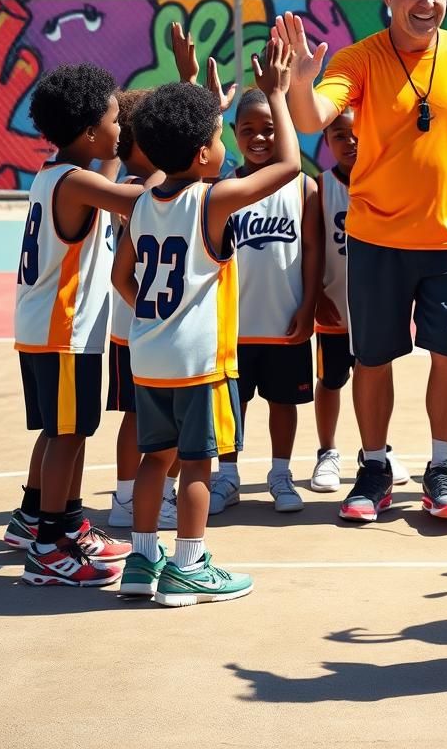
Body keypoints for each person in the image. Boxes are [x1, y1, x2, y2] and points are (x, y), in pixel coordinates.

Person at [279, 0, 447, 524]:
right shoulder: (358, 60)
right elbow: (313, 119)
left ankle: (441, 468)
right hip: (376, 239)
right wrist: (300, 84)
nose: (427, 2)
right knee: (372, 359)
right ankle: (376, 465)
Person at [113, 35, 299, 605]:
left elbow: (122, 277)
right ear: (202, 155)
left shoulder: (143, 199)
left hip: (148, 356)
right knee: (197, 466)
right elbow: (290, 165)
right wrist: (278, 95)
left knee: (156, 460)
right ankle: (189, 565)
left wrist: (153, 313)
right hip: (199, 361)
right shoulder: (213, 200)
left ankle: (142, 562)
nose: (222, 146)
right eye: (218, 137)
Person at [8, 64, 143, 587]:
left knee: (60, 429)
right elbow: (147, 201)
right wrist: (166, 160)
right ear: (89, 132)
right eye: (114, 120)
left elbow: (107, 165)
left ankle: (42, 518)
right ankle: (49, 546)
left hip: (44, 327)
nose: (120, 132)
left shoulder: (56, 174)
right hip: (65, 333)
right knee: (70, 432)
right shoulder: (78, 184)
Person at [207, 86, 321, 514]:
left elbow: (312, 251)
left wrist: (308, 305)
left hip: (284, 321)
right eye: (249, 129)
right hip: (233, 325)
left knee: (284, 402)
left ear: (285, 131)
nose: (259, 138)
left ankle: (280, 473)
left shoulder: (303, 187)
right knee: (231, 406)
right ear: (235, 133)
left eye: (270, 129)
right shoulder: (224, 188)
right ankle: (229, 475)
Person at [310, 108, 410, 493]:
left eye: (357, 134)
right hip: (335, 307)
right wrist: (316, 294)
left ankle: (378, 450)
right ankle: (327, 452)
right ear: (327, 141)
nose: (349, 141)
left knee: (377, 376)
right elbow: (313, 249)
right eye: (339, 135)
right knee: (331, 379)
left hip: (378, 306)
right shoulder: (321, 187)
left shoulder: (389, 183)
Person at [105, 88, 180, 531]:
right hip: (141, 324)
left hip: (133, 324)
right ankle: (133, 498)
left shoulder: (128, 186)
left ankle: (130, 496)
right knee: (147, 416)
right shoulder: (143, 191)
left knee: (140, 415)